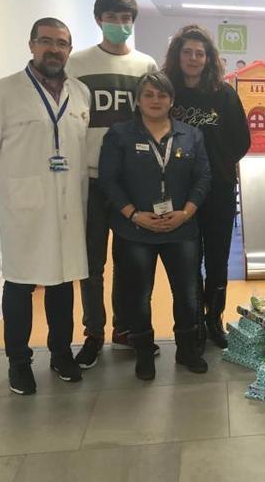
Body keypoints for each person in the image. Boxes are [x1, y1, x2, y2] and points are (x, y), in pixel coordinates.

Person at [0, 18, 90, 394]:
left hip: (68, 206)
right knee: (20, 285)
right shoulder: (2, 93)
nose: (54, 49)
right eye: (46, 42)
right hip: (22, 210)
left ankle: (60, 355)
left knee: (62, 284)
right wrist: (2, 200)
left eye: (62, 43)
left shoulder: (81, 93)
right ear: (32, 45)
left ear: (69, 49)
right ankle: (19, 362)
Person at [67, 0, 159, 369]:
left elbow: (155, 117)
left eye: (126, 19)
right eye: (112, 18)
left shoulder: (146, 65)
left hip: (131, 182)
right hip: (89, 179)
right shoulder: (77, 64)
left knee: (130, 262)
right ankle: (94, 333)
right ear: (98, 20)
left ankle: (126, 329)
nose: (120, 25)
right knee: (91, 264)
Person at [98, 72, 212, 380]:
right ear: (137, 100)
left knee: (188, 294)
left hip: (182, 229)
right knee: (137, 295)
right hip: (134, 231)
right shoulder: (120, 135)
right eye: (148, 94)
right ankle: (144, 353)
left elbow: (203, 178)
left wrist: (185, 213)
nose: (155, 100)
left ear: (172, 100)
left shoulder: (191, 135)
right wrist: (133, 214)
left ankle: (187, 350)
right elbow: (109, 181)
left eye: (162, 95)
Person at [164, 25, 251, 349]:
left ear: (208, 58)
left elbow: (242, 139)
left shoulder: (223, 93)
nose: (193, 58)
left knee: (216, 259)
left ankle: (213, 320)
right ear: (178, 55)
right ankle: (192, 324)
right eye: (187, 52)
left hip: (218, 189)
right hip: (178, 191)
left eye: (200, 53)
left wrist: (217, 163)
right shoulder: (167, 91)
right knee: (187, 259)